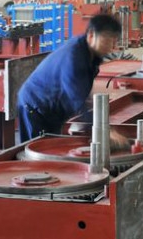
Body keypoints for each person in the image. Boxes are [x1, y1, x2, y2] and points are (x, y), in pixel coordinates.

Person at [17, 14, 128, 145]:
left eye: (114, 41)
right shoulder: (74, 57)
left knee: (52, 146)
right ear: (91, 35)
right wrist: (104, 130)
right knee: (36, 150)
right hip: (35, 106)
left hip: (53, 110)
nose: (111, 47)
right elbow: (77, 98)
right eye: (107, 40)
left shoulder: (92, 55)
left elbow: (83, 93)